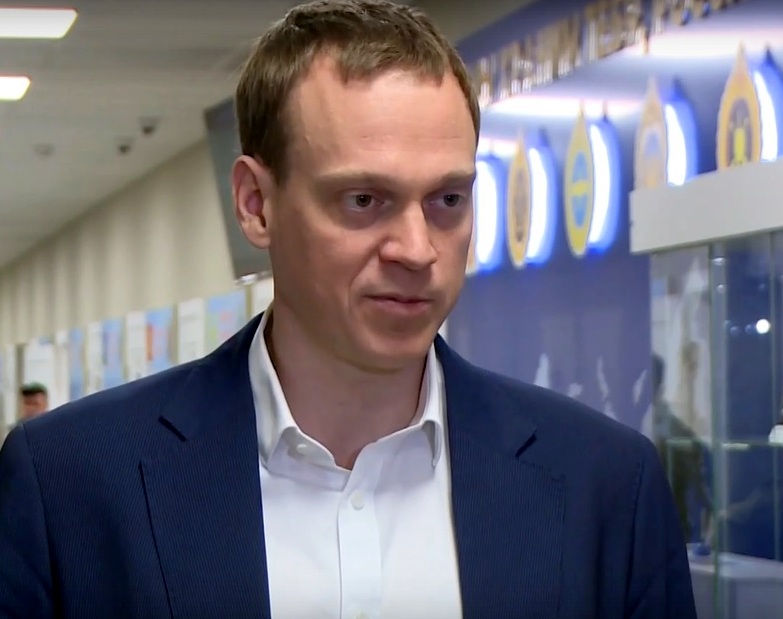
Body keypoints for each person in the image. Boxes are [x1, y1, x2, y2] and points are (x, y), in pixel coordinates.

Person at [0, 1, 696, 617]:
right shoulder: (70, 483)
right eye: (364, 200)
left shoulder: (606, 486)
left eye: (447, 200)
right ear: (256, 204)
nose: (417, 249)